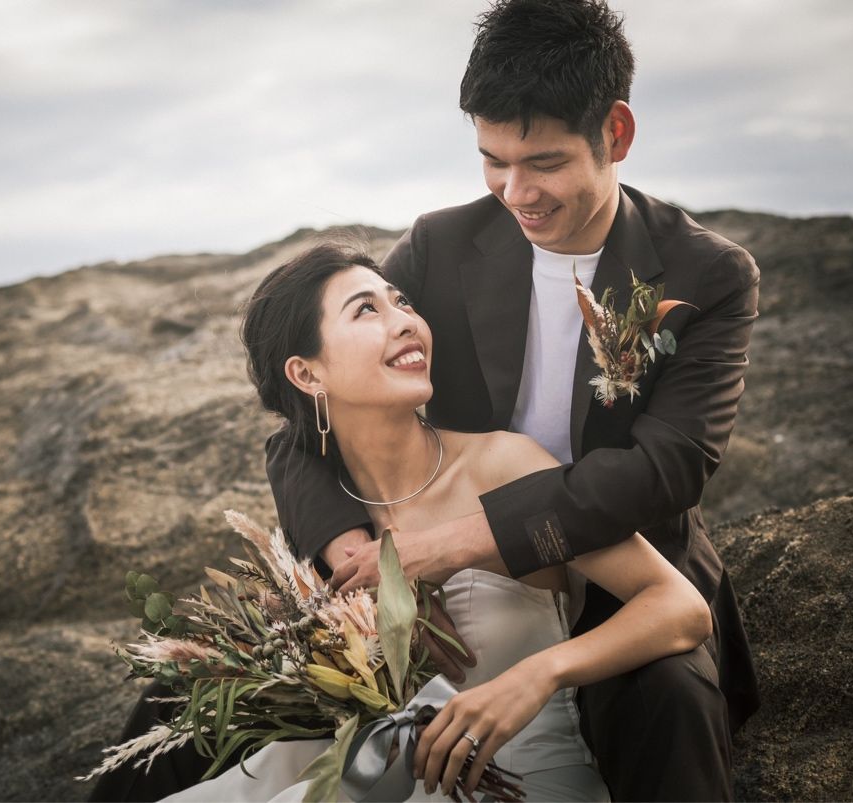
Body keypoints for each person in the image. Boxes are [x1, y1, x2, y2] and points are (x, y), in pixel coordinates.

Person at [266, 1, 761, 800]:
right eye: (491, 160)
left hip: (625, 574)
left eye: (543, 162)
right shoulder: (440, 246)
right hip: (461, 588)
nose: (515, 190)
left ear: (615, 133)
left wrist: (456, 541)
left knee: (670, 701)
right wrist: (374, 570)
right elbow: (303, 427)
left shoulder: (704, 274)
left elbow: (668, 467)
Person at [163, 243, 711, 802]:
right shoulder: (326, 523)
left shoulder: (502, 464)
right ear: (307, 373)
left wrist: (539, 674)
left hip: (522, 780)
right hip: (378, 774)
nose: (405, 321)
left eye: (401, 301)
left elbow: (682, 608)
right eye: (366, 309)